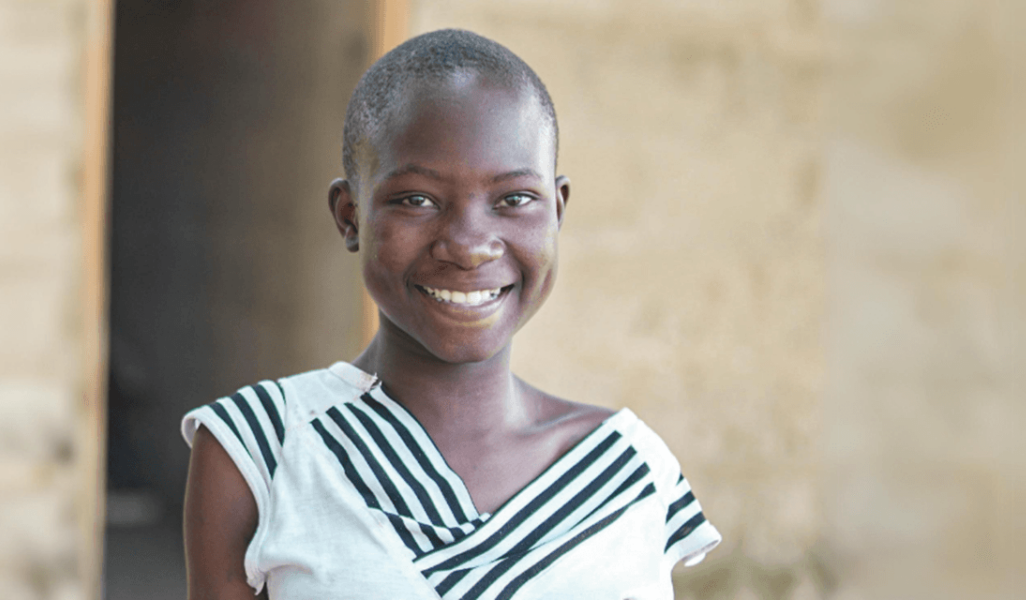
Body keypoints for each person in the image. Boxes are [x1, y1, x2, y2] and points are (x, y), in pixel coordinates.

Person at [180, 29, 720, 600]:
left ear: (556, 211)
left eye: (513, 199)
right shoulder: (261, 447)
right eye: (417, 199)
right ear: (350, 216)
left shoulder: (626, 469)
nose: (468, 245)